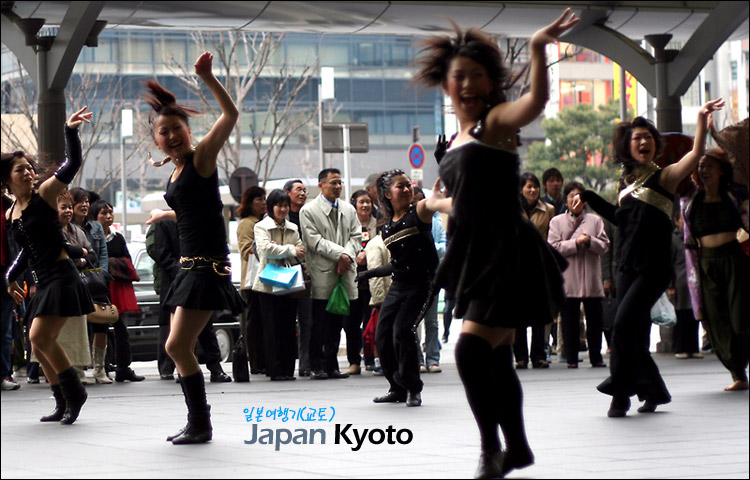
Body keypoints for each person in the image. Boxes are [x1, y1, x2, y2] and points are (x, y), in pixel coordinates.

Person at [413, 10, 576, 477]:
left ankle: (491, 450)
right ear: (445, 83)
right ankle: (517, 447)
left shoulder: (495, 123)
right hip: (476, 255)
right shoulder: (458, 138)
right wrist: (434, 204)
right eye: (458, 76)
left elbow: (536, 102)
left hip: (506, 253)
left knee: (469, 352)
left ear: (489, 82)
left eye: (476, 75)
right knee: (498, 355)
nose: (467, 84)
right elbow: (466, 202)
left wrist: (538, 48)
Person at [575, 98, 725, 417]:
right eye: (637, 138)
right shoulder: (625, 184)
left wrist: (701, 120)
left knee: (621, 324)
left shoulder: (666, 177)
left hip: (653, 268)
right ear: (627, 146)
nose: (643, 142)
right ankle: (653, 390)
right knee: (634, 333)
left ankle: (620, 393)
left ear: (655, 145)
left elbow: (695, 154)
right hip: (626, 266)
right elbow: (619, 217)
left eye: (648, 137)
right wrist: (587, 196)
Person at [145, 51, 243, 444]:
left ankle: (201, 423)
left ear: (188, 130)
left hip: (205, 268)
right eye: (163, 132)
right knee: (178, 345)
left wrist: (207, 77)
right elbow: (197, 209)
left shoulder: (202, 158)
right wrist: (165, 215)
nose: (170, 136)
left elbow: (231, 115)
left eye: (176, 128)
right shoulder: (178, 169)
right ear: (156, 139)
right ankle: (198, 422)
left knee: (176, 345)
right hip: (191, 268)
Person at [3, 106, 94, 424]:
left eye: (30, 167)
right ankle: (61, 400)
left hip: (62, 276)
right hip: (41, 280)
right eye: (20, 170)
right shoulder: (11, 212)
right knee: (38, 344)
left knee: (41, 338)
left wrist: (71, 131)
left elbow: (73, 164)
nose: (28, 172)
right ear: (7, 179)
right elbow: (24, 252)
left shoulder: (44, 194)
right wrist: (10, 277)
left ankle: (75, 393)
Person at [358, 170, 440, 407]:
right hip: (399, 285)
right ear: (387, 194)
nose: (406, 189)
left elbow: (434, 202)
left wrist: (442, 171)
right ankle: (397, 388)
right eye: (400, 186)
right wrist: (371, 272)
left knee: (403, 331)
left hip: (422, 285)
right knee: (382, 336)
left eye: (408, 185)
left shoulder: (419, 212)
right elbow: (397, 263)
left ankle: (413, 387)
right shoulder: (386, 227)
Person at [681, 147, 748, 390]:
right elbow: (688, 241)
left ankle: (741, 362)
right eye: (701, 166)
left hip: (735, 260)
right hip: (706, 264)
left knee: (741, 319)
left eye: (710, 165)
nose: (704, 170)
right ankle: (738, 374)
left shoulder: (736, 195)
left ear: (721, 169)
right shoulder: (690, 200)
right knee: (717, 321)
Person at [143, 218, 233, 383]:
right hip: (175, 280)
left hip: (198, 277)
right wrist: (181, 271)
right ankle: (179, 369)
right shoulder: (165, 223)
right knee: (175, 328)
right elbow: (161, 253)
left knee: (205, 326)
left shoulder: (196, 219)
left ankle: (213, 368)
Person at [299, 168, 360, 380]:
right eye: (333, 182)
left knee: (337, 322)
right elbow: (314, 241)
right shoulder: (308, 211)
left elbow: (356, 236)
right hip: (322, 274)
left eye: (339, 182)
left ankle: (332, 365)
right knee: (319, 322)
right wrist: (341, 255)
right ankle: (316, 365)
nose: (338, 186)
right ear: (321, 185)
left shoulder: (349, 209)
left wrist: (347, 257)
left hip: (344, 272)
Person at [548, 181, 609, 369]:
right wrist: (575, 243)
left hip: (591, 279)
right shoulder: (556, 222)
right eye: (571, 196)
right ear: (566, 200)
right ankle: (571, 358)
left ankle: (596, 356)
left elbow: (604, 246)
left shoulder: (596, 221)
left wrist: (590, 241)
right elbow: (553, 248)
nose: (575, 200)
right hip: (569, 279)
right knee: (569, 321)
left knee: (595, 321)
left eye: (579, 196)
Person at [252, 189, 305, 381]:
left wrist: (281, 249)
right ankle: (274, 370)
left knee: (289, 326)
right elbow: (266, 250)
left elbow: (302, 251)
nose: (282, 209)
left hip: (289, 282)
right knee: (271, 328)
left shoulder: (293, 227)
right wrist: (289, 249)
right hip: (268, 284)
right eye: (279, 205)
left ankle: (288, 369)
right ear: (270, 207)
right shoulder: (261, 227)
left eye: (285, 206)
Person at [89, 200, 145, 383]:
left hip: (117, 289)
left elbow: (127, 261)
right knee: (100, 329)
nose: (108, 216)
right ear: (94, 217)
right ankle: (101, 368)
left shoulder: (118, 238)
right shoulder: (91, 236)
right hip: (98, 288)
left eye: (110, 212)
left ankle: (123, 368)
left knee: (122, 330)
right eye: (103, 213)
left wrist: (111, 264)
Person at [515, 171, 555, 369]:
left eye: (535, 186)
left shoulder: (549, 209)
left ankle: (539, 354)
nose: (533, 190)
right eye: (528, 186)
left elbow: (552, 237)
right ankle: (521, 356)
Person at [56, 190, 94, 384]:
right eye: (64, 207)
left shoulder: (77, 231)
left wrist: (80, 257)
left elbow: (91, 254)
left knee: (79, 331)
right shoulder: (52, 230)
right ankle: (60, 373)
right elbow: (67, 251)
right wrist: (80, 253)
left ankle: (78, 370)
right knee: (59, 332)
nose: (68, 211)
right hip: (56, 285)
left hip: (76, 283)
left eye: (70, 207)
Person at [413, 186, 447, 373]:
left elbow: (443, 248)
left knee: (432, 322)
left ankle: (433, 359)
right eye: (414, 200)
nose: (418, 203)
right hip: (412, 279)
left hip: (432, 278)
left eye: (421, 199)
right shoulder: (407, 222)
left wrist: (426, 247)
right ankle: (417, 358)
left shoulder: (436, 223)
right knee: (414, 322)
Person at [283, 179, 313, 377]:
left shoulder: (308, 215)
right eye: (298, 190)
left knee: (306, 321)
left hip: (306, 274)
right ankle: (285, 365)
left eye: (304, 190)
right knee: (285, 321)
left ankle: (305, 364)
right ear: (287, 193)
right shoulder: (280, 216)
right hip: (285, 274)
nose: (302, 193)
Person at [236, 185, 267, 375]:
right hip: (252, 280)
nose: (263, 203)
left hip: (265, 279)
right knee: (254, 322)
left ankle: (264, 360)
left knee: (264, 322)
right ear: (249, 203)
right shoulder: (247, 224)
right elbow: (246, 250)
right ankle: (255, 361)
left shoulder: (265, 221)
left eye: (264, 199)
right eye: (259, 200)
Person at [346, 189, 377, 375]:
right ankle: (354, 361)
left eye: (368, 202)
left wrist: (368, 254)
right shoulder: (348, 224)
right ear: (354, 204)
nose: (365, 205)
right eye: (361, 202)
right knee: (351, 322)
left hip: (373, 280)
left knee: (370, 320)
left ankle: (370, 358)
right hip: (352, 279)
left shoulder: (378, 224)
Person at [669, 210, 702, 360]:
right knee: (681, 316)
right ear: (676, 221)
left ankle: (693, 348)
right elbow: (669, 264)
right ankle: (680, 347)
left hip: (694, 282)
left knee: (694, 315)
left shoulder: (694, 238)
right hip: (680, 282)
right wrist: (670, 286)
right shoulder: (673, 239)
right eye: (683, 220)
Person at [1, 191, 20, 390]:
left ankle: (4, 374)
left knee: (5, 327)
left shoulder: (9, 206)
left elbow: (17, 245)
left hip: (5, 272)